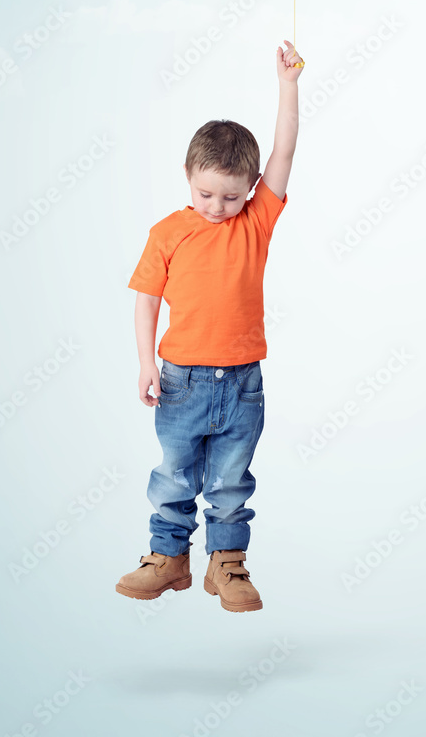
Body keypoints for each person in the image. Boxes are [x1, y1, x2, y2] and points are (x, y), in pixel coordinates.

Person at [116, 39, 304, 613]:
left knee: (229, 483)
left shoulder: (257, 221)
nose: (218, 206)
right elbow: (147, 299)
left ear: (250, 189)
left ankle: (227, 566)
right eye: (205, 193)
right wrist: (147, 362)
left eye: (230, 195)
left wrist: (288, 84)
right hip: (181, 380)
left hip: (243, 382)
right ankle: (168, 559)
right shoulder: (168, 231)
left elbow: (283, 153)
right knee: (174, 475)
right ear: (187, 176)